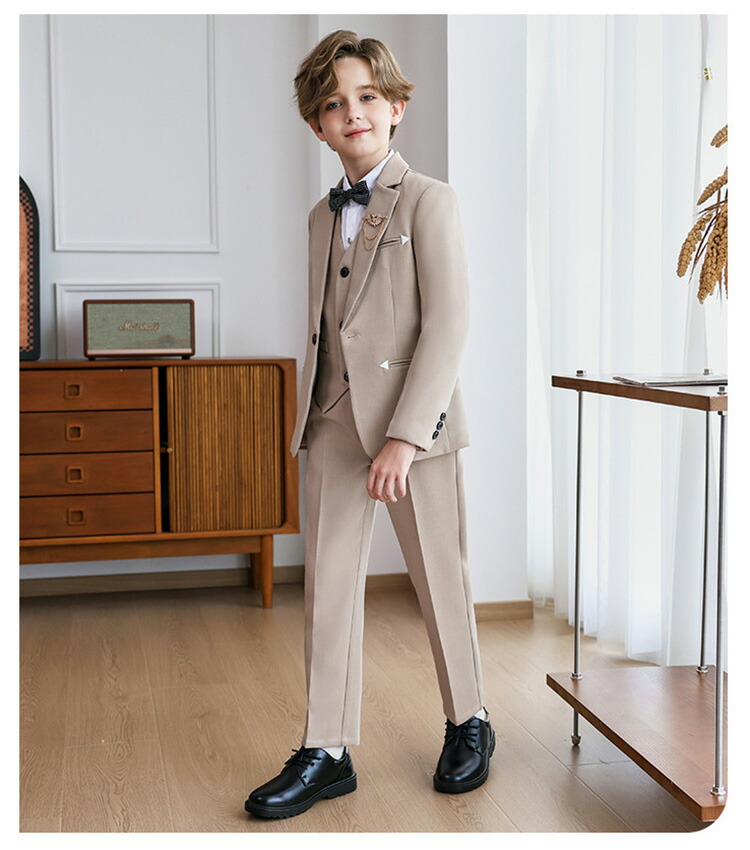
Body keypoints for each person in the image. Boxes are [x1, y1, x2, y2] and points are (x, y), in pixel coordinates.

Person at [245, 30, 494, 820]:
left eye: (365, 97)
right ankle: (327, 749)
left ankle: (470, 720)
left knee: (440, 579)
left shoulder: (431, 200)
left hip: (415, 430)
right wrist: (314, 421)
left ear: (395, 108)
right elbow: (328, 328)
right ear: (316, 125)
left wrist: (404, 438)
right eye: (333, 103)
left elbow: (448, 325)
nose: (351, 112)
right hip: (331, 424)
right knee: (326, 592)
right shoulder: (319, 218)